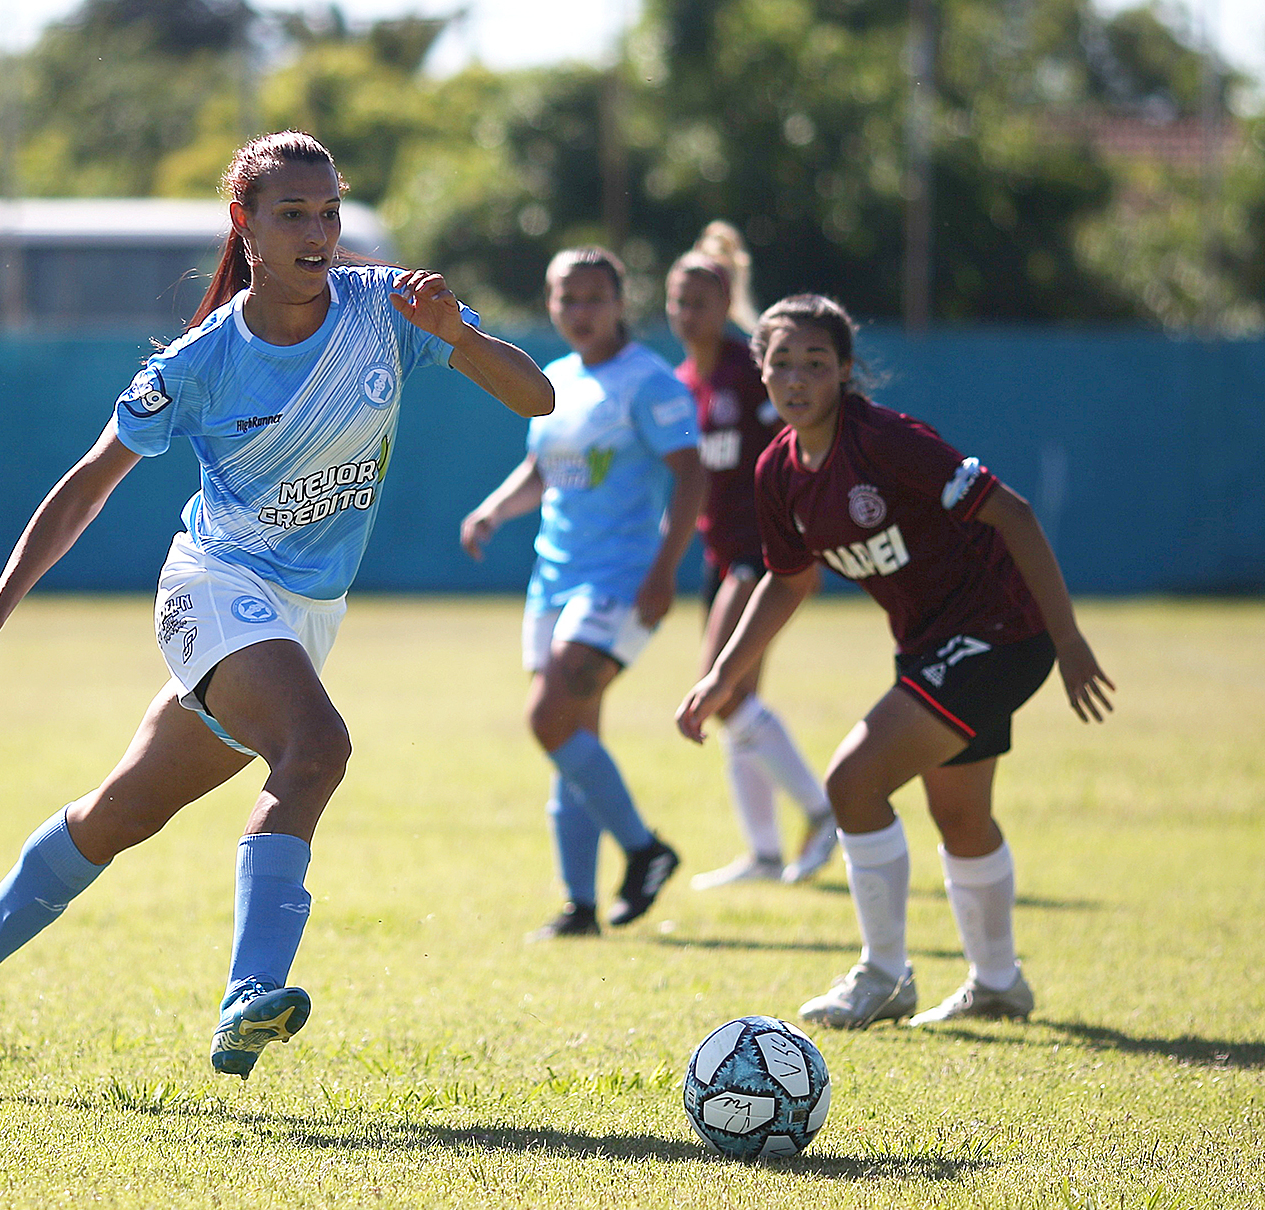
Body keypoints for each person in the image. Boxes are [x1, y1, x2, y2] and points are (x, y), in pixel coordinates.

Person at [0, 131, 553, 1083]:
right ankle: (249, 995)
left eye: (329, 211)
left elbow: (535, 398)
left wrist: (457, 334)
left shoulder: (390, 309)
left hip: (303, 617)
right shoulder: (198, 362)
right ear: (243, 224)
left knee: (122, 813)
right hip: (213, 589)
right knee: (316, 749)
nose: (318, 231)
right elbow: (87, 485)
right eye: (292, 213)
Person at [677, 295, 1114, 1028]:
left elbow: (1014, 513)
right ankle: (999, 984)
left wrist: (1068, 640)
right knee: (961, 817)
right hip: (933, 643)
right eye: (780, 361)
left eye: (816, 362)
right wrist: (722, 674)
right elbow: (791, 581)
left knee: (852, 781)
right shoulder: (777, 471)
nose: (796, 377)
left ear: (845, 372)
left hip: (1002, 629)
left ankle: (883, 974)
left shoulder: (886, 441)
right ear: (760, 371)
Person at [460, 245, 705, 940]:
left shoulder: (649, 382)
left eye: (594, 297)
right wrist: (492, 511)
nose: (580, 311)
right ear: (550, 303)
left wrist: (664, 569)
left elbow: (692, 476)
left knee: (547, 719)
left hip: (619, 579)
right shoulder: (554, 381)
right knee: (571, 734)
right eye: (567, 298)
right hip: (553, 577)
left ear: (621, 303)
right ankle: (580, 907)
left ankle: (645, 849)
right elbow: (542, 472)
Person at [665, 223, 837, 890]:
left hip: (763, 554)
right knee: (739, 703)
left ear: (726, 301)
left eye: (700, 301)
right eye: (678, 301)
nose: (687, 314)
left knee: (722, 692)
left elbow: (800, 452)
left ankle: (824, 813)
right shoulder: (683, 381)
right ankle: (765, 854)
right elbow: (693, 474)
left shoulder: (750, 370)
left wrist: (808, 544)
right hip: (720, 552)